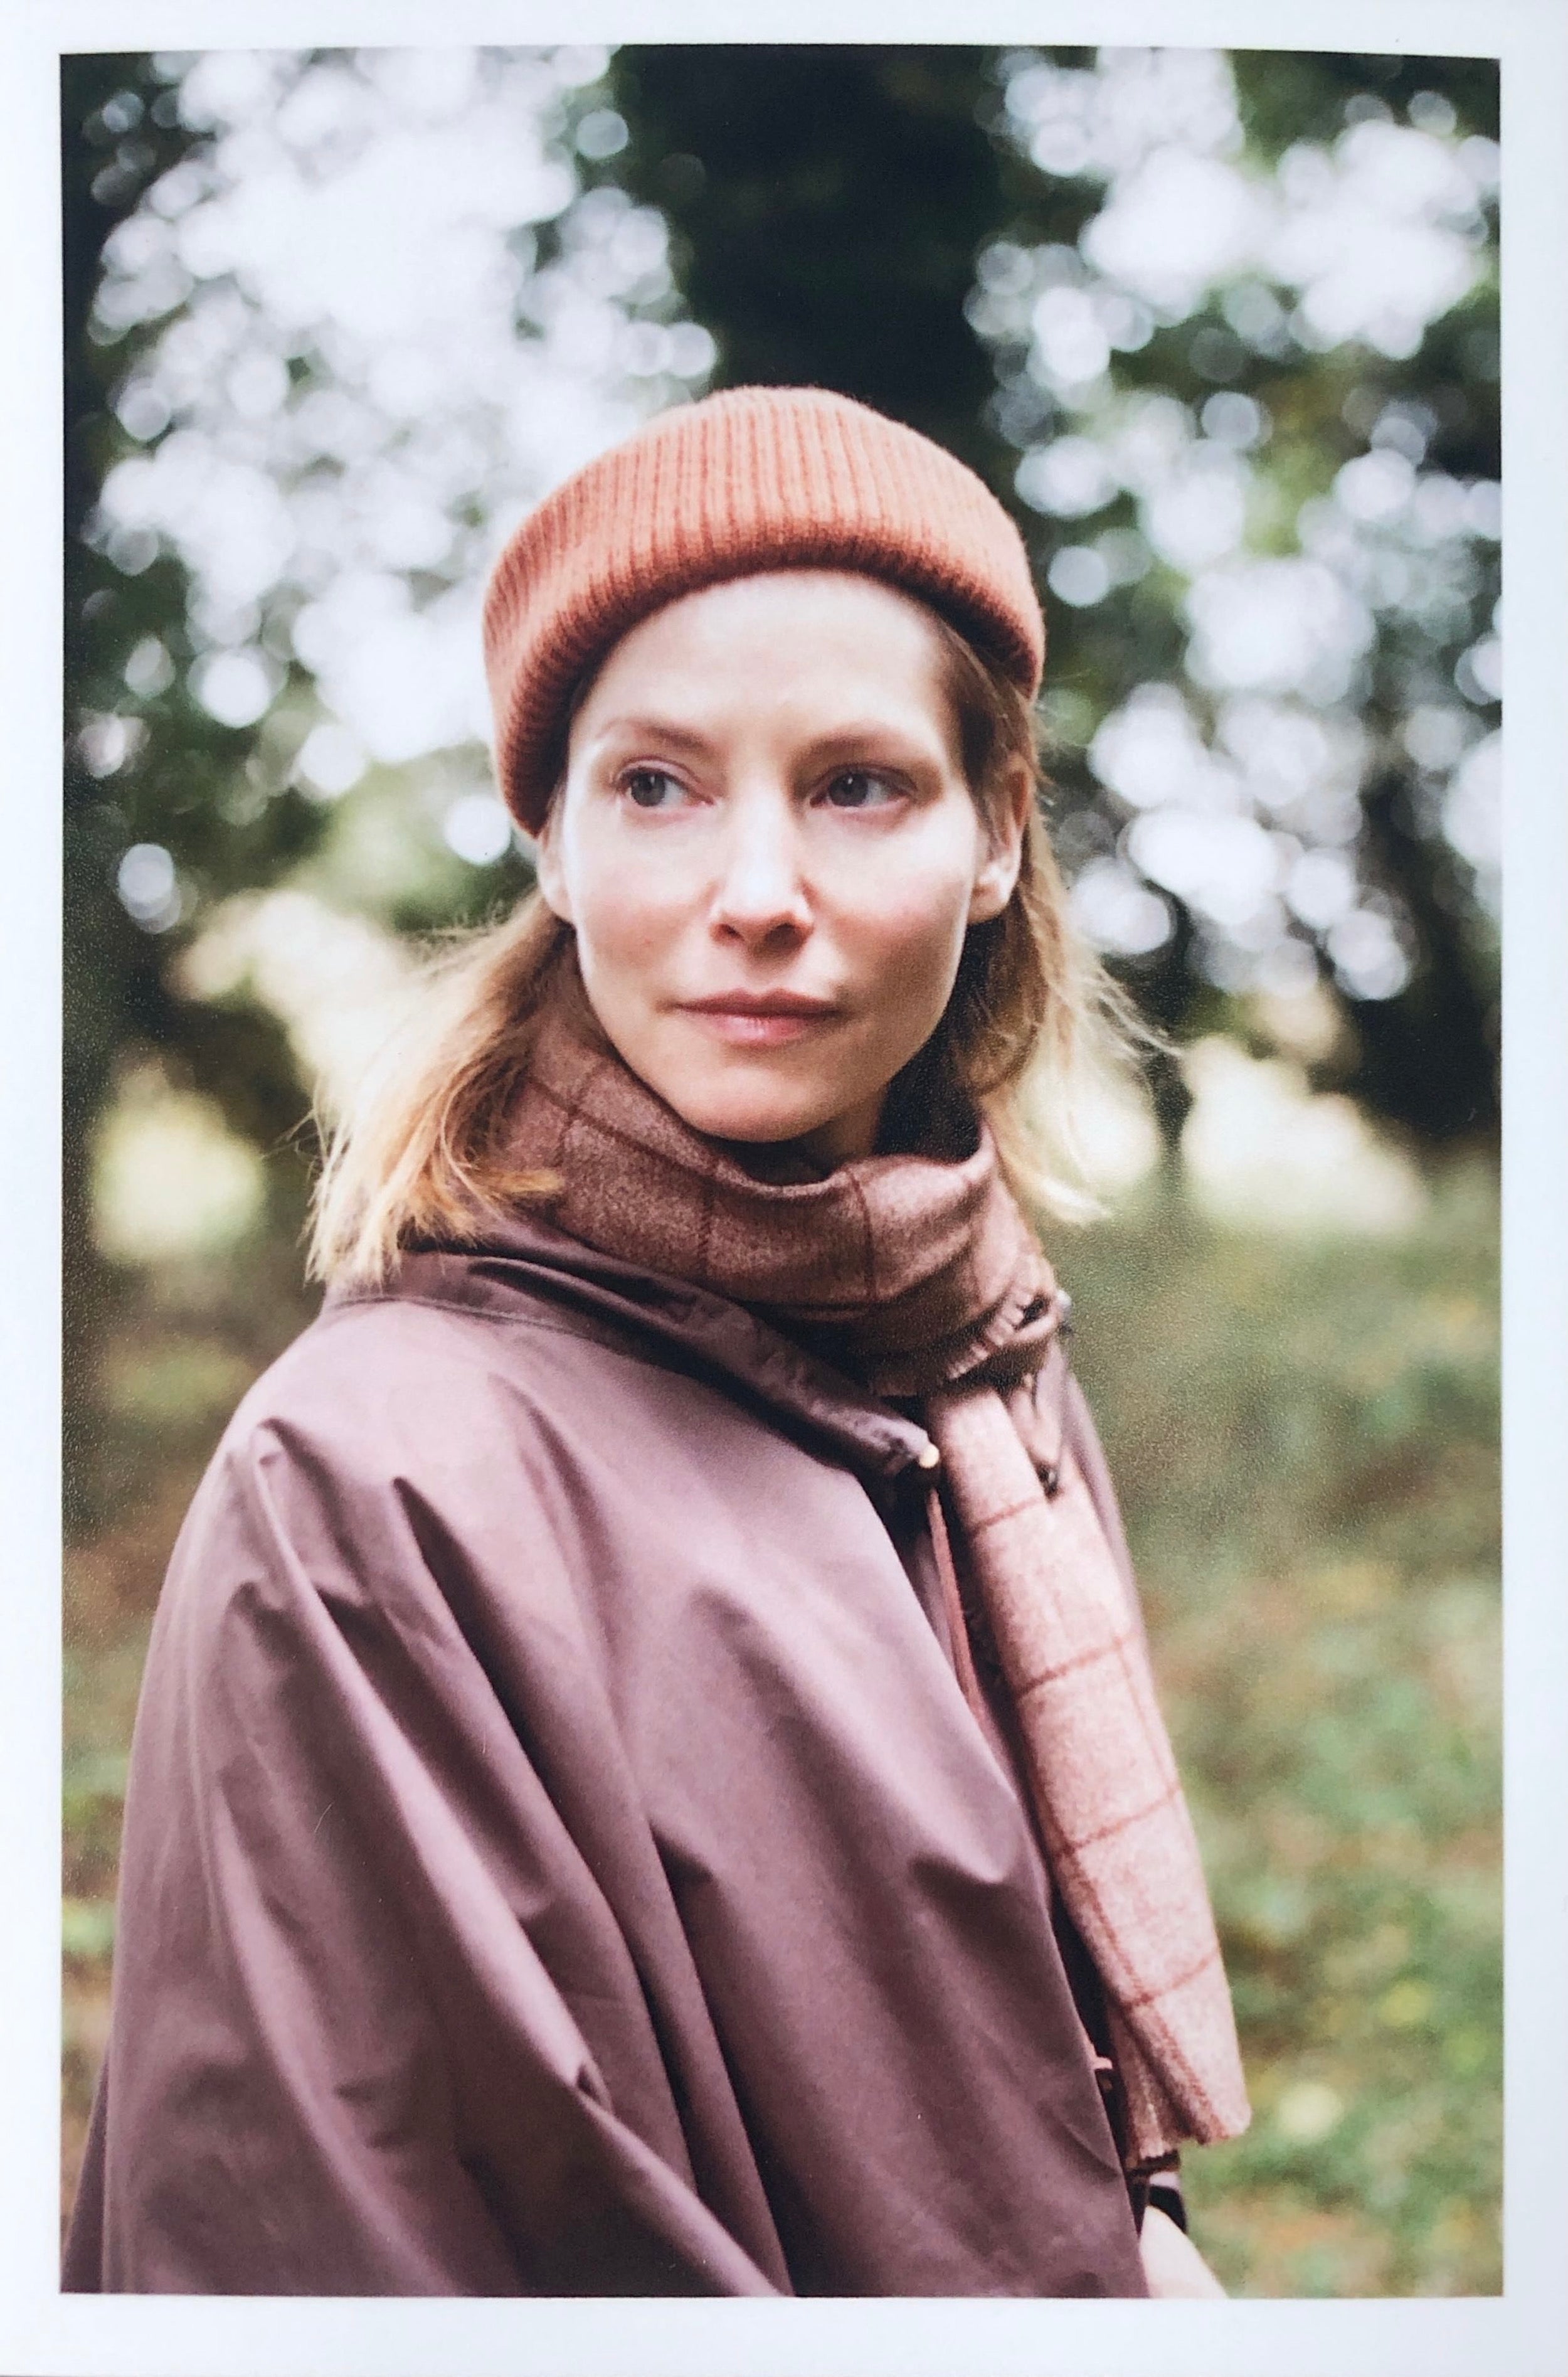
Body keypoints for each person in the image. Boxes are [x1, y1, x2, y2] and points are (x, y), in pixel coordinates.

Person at [65, 386, 1248, 2299]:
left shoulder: (979, 1352)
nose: (754, 896)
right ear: (548, 840)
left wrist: (1144, 2238)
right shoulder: (369, 1477)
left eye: (856, 783)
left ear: (993, 831)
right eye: (656, 788)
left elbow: (1046, 2019)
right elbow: (345, 2241)